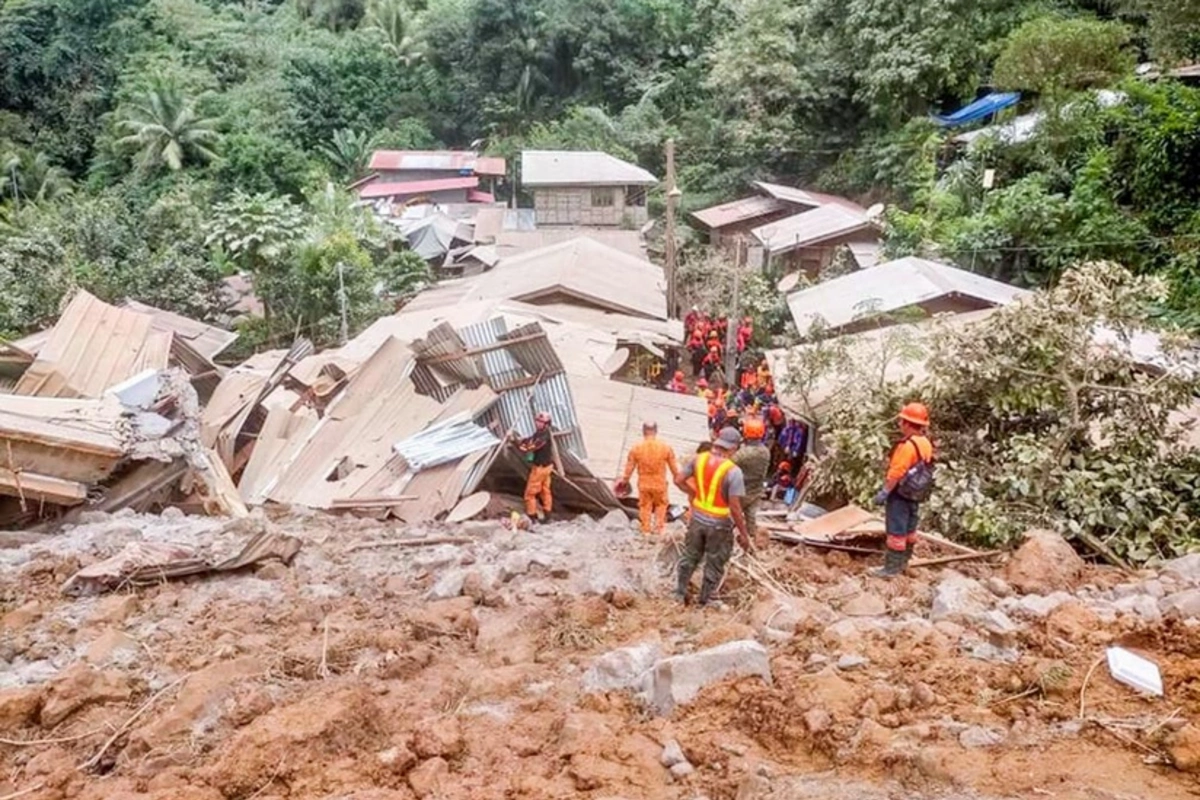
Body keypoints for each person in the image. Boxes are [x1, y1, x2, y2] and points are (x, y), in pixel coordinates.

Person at [674, 427, 751, 608]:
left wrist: (693, 492)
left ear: (717, 441)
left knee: (690, 556)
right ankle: (706, 599)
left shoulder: (698, 460)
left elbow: (678, 480)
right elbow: (734, 507)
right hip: (720, 524)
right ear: (733, 449)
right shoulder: (734, 472)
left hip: (697, 518)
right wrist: (744, 534)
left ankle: (679, 592)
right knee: (715, 560)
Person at [873, 402, 935, 578]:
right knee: (909, 529)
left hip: (900, 493)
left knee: (896, 530)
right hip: (916, 492)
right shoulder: (925, 443)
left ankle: (891, 569)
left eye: (902, 421)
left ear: (908, 423)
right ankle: (903, 563)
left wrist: (885, 492)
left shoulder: (907, 446)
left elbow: (896, 473)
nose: (899, 424)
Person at [617, 421, 681, 535]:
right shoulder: (665, 447)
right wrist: (678, 479)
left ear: (643, 431)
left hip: (644, 484)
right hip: (660, 484)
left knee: (645, 506)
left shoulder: (636, 448)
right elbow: (674, 469)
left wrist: (624, 481)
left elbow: (629, 468)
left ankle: (645, 530)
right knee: (661, 505)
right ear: (656, 431)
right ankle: (658, 529)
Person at [732, 416, 773, 548]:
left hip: (740, 491)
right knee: (751, 519)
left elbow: (728, 465)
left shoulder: (743, 453)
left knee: (731, 518)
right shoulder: (766, 452)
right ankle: (752, 545)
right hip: (756, 490)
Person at [516, 411, 555, 524]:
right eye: (537, 421)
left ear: (546, 424)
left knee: (530, 493)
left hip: (540, 468)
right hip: (547, 467)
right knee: (544, 490)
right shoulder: (541, 433)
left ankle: (531, 517)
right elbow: (530, 440)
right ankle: (547, 515)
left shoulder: (544, 436)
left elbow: (532, 446)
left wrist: (520, 445)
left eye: (540, 422)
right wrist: (522, 441)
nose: (537, 423)